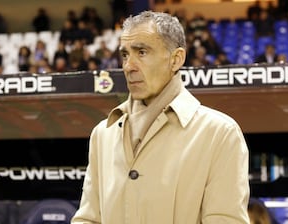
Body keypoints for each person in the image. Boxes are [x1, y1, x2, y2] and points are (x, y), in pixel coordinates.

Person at [71, 10, 250, 223]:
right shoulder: (103, 134)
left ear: (176, 59)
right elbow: (88, 219)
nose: (128, 66)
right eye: (125, 54)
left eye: (142, 52)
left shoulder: (220, 134)